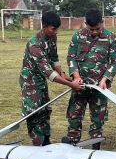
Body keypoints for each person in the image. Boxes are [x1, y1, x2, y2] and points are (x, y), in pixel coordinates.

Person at [20, 11, 83, 146]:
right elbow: (49, 73)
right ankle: (38, 145)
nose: (56, 32)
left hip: (41, 78)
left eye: (57, 29)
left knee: (45, 109)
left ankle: (46, 141)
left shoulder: (52, 37)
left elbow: (54, 59)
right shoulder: (34, 44)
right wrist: (70, 84)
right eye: (53, 29)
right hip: (30, 79)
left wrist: (62, 73)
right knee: (34, 112)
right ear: (44, 26)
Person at [64, 9, 116, 147]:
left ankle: (96, 145)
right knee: (74, 116)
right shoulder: (77, 37)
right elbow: (71, 57)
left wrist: (105, 79)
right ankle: (72, 143)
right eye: (91, 29)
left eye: (97, 28)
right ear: (85, 24)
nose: (94, 32)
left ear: (102, 23)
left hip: (99, 87)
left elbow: (115, 61)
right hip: (80, 86)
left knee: (98, 118)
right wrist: (76, 76)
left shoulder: (111, 38)